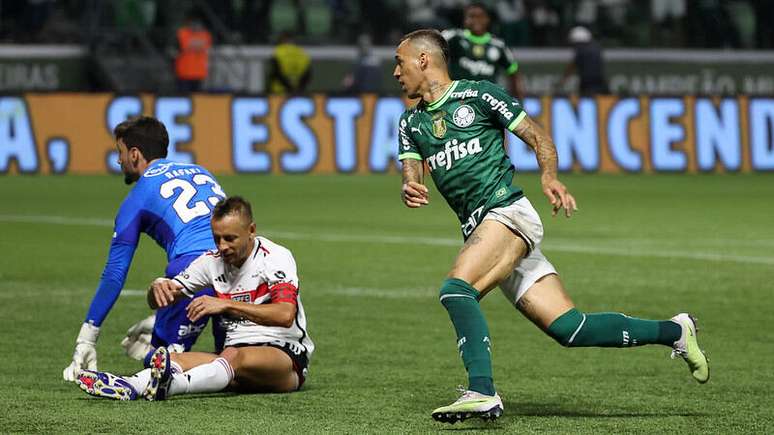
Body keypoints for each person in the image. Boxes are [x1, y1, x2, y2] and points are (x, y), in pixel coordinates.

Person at [392, 29, 709, 424]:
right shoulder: (410, 122)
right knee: (570, 328)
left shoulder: (478, 95)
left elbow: (537, 136)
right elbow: (412, 171)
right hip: (482, 229)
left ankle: (482, 391)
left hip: (507, 212)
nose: (395, 71)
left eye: (399, 61)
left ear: (424, 60)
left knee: (457, 289)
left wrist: (549, 177)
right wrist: (410, 185)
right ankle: (676, 331)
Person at [75, 196, 313, 400]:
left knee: (232, 356)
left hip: (286, 359)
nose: (222, 246)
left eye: (230, 238)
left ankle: (171, 387)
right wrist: (157, 288)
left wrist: (226, 304)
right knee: (172, 358)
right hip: (232, 360)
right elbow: (165, 296)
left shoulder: (274, 257)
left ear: (251, 231)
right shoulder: (211, 261)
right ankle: (132, 385)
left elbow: (285, 314)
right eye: (217, 238)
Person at [62, 116, 226, 382]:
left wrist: (87, 339)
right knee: (235, 356)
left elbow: (114, 274)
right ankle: (160, 325)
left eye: (121, 152)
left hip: (192, 272)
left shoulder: (137, 197)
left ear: (135, 154)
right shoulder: (202, 171)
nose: (119, 160)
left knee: (161, 364)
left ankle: (150, 348)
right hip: (240, 269)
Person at [442, 3, 525, 101]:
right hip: (458, 98)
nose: (476, 20)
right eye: (472, 16)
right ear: (465, 19)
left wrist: (518, 100)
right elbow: (431, 44)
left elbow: (513, 72)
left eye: (480, 16)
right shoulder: (454, 37)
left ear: (487, 19)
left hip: (486, 101)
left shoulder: (498, 45)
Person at [558, 26, 609, 96]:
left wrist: (562, 81)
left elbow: (572, 67)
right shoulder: (596, 48)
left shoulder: (581, 50)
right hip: (601, 83)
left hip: (588, 85)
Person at [174, 11, 212, 93]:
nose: (196, 25)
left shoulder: (206, 35)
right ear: (188, 23)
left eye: (198, 23)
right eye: (193, 22)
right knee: (184, 98)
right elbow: (175, 50)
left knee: (197, 98)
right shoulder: (181, 34)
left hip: (199, 73)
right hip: (184, 73)